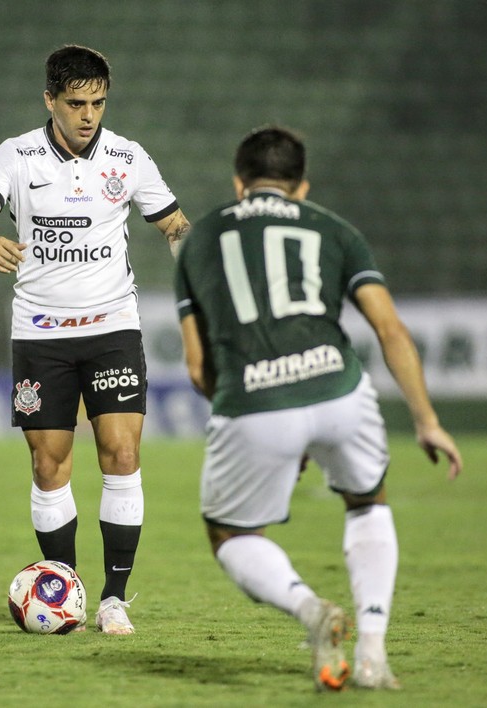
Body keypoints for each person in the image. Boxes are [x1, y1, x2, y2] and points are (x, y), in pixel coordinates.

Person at [173, 126, 462, 690]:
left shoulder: (200, 240)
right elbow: (390, 329)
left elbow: (196, 365)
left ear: (239, 184)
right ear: (301, 187)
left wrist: (264, 426)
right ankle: (374, 652)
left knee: (230, 535)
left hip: (254, 398)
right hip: (339, 390)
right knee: (366, 502)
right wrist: (427, 420)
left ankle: (311, 612)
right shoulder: (335, 230)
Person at [0, 44, 190, 635]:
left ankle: (112, 598)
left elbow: (175, 225)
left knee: (123, 453)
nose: (89, 115)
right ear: (50, 101)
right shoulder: (16, 156)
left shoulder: (128, 158)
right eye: (76, 103)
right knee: (48, 463)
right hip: (40, 332)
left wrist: (191, 259)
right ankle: (64, 590)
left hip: (112, 327)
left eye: (98, 103)